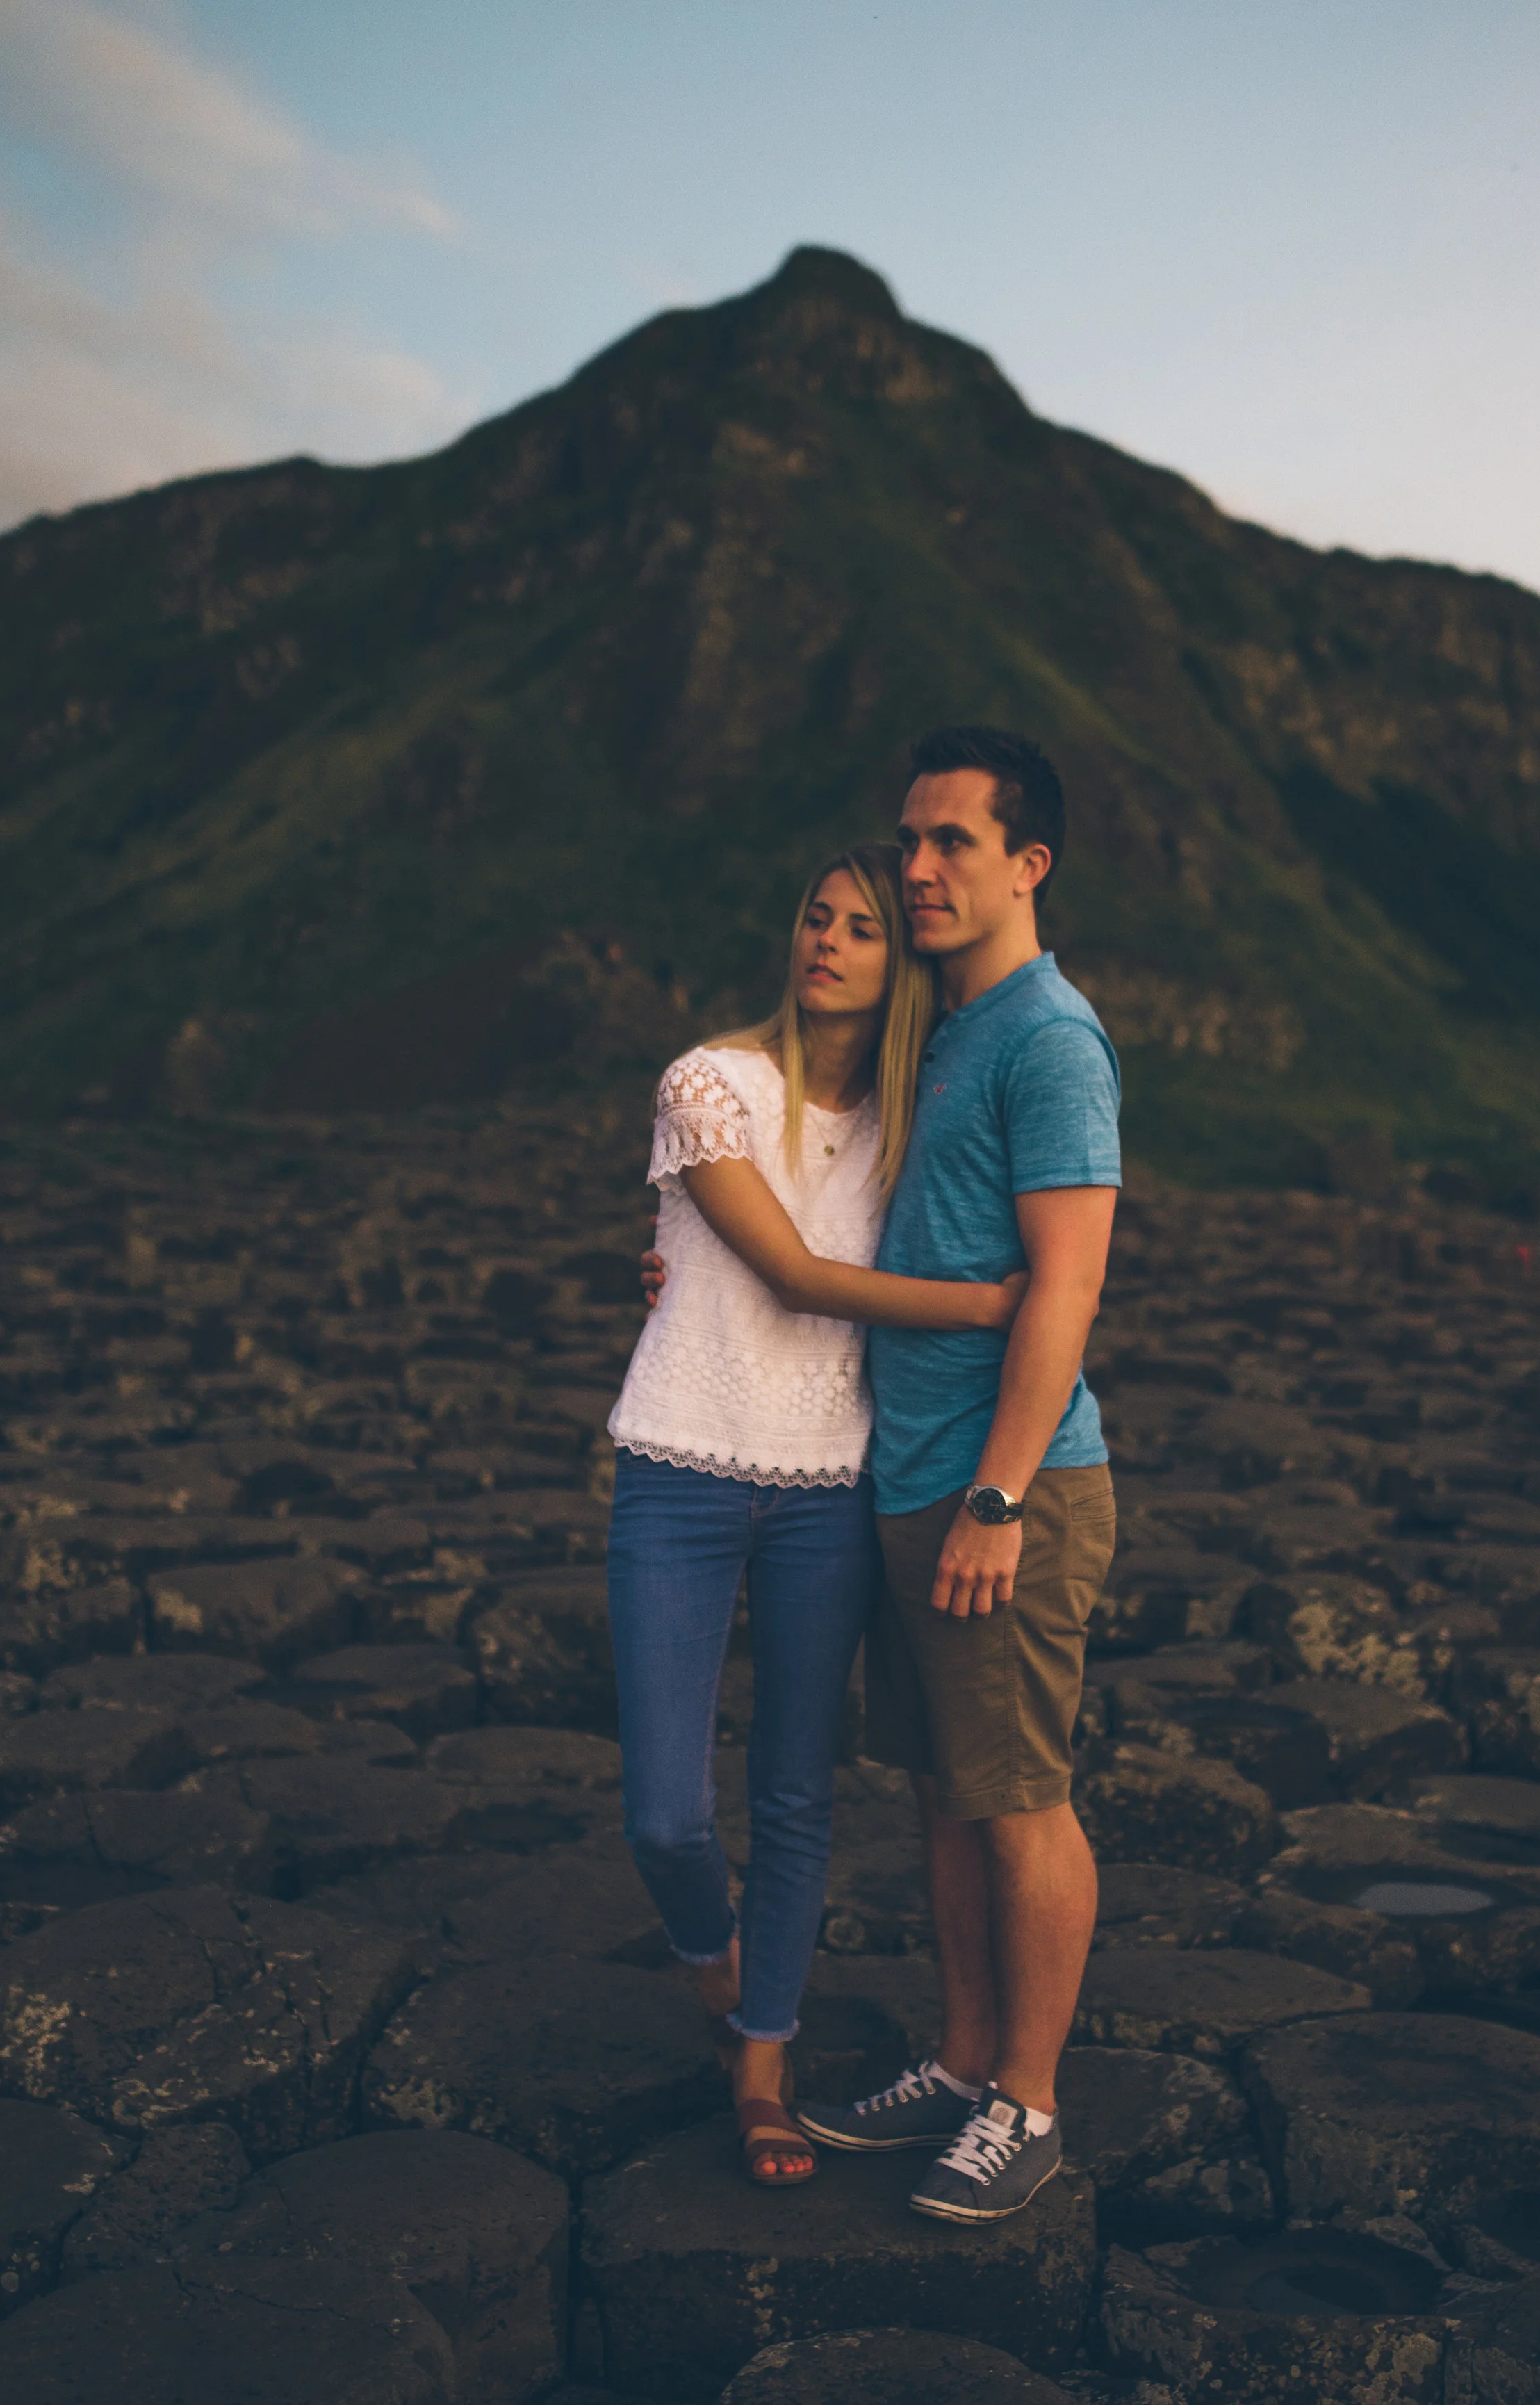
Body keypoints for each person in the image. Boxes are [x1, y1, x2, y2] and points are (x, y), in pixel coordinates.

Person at [606, 842, 1029, 2189]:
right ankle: (713, 1956)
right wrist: (985, 1308)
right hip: (675, 1465)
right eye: (813, 917)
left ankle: (762, 2067)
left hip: (828, 1487)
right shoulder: (708, 1082)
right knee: (666, 1813)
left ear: (898, 965)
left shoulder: (909, 1129)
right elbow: (786, 1274)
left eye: (859, 925)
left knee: (794, 1791)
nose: (829, 940)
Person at [795, 726, 1121, 2227]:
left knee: (1018, 1800)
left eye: (951, 844)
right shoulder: (950, 1023)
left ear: (1024, 864)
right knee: (941, 1792)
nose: (915, 868)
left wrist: (995, 1496)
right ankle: (962, 2055)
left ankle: (1029, 2103)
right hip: (909, 1474)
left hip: (1010, 1488)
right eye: (906, 839)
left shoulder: (1049, 1037)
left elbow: (1063, 1285)